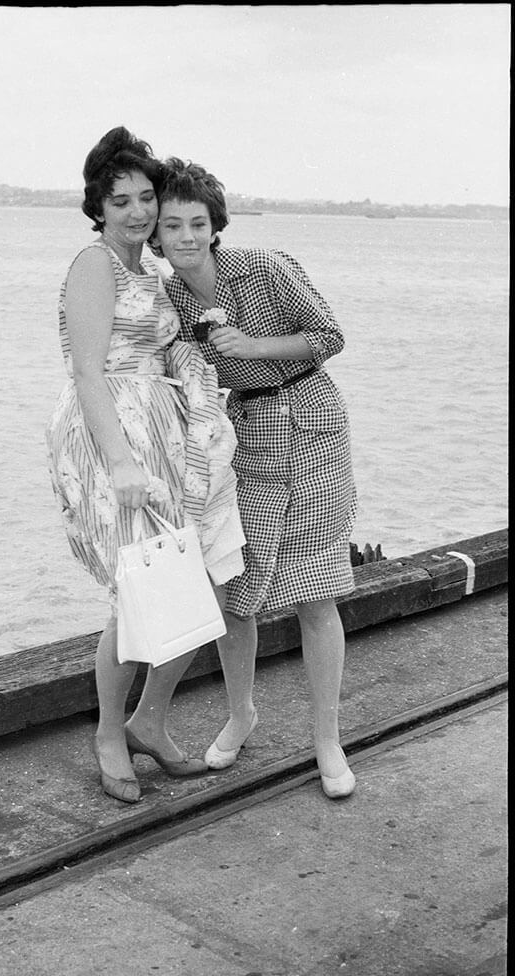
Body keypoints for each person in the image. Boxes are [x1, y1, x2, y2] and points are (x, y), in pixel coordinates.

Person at [45, 129, 245, 804]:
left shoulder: (150, 270)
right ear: (97, 207)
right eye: (121, 199)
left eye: (146, 197)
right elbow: (88, 372)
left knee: (200, 579)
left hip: (162, 433)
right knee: (136, 591)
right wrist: (123, 463)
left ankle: (149, 720)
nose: (137, 211)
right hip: (113, 439)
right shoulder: (95, 264)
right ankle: (109, 731)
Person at [150, 158, 358, 798]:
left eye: (197, 223)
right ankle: (241, 713)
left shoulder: (265, 267)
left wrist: (253, 346)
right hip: (242, 437)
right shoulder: (171, 296)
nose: (185, 236)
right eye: (172, 225)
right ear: (155, 235)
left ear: (216, 226)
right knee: (233, 593)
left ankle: (327, 740)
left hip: (313, 422)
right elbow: (163, 356)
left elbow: (330, 335)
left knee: (314, 593)